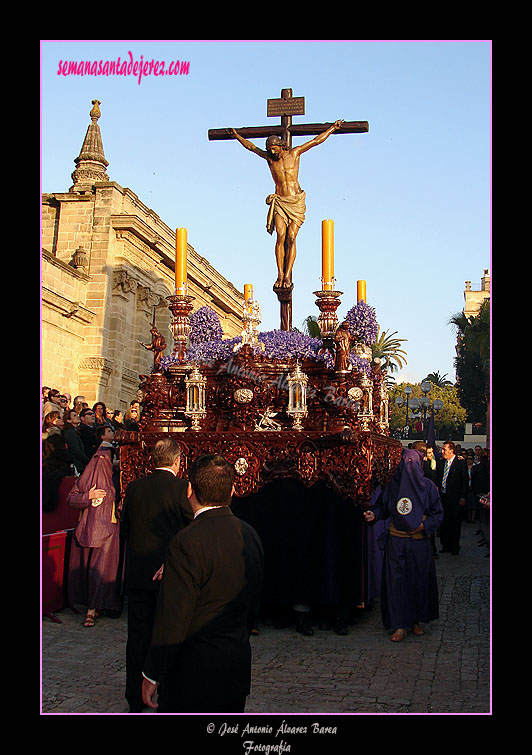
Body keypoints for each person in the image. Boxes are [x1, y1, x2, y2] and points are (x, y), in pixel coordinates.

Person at [141, 454, 264, 713]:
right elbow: (253, 603)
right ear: (233, 489)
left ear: (190, 490)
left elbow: (173, 617)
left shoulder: (187, 541)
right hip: (234, 666)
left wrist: (153, 672)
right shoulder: (250, 535)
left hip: (193, 674)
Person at [120, 438, 193, 713]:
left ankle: (134, 696)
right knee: (169, 634)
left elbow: (125, 527)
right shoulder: (182, 488)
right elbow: (190, 529)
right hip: (169, 575)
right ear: (177, 461)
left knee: (138, 636)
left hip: (139, 573)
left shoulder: (134, 487)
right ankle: (166, 690)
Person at [230, 120, 344, 289]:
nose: (271, 152)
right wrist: (237, 136)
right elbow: (251, 147)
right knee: (280, 236)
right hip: (280, 201)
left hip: (295, 201)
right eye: (269, 150)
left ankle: (288, 274)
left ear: (280, 146)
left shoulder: (294, 154)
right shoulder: (269, 159)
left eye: (274, 149)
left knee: (291, 237)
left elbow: (315, 141)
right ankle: (280, 274)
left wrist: (332, 129)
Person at [363, 445, 443, 642]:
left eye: (412, 463)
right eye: (405, 463)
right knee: (396, 582)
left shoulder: (428, 487)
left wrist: (424, 525)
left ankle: (416, 620)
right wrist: (374, 514)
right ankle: (399, 624)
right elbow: (382, 506)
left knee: (418, 581)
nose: (408, 467)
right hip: (397, 541)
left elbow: (438, 514)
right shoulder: (393, 487)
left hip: (418, 543)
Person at [67, 424, 122, 627]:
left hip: (110, 523)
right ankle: (92, 607)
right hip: (96, 523)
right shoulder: (97, 462)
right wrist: (88, 497)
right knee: (96, 568)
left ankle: (99, 605)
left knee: (104, 568)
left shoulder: (114, 469)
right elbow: (72, 497)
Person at [437, 441, 468, 555]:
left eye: (444, 449)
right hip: (443, 496)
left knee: (454, 522)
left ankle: (455, 546)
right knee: (444, 522)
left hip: (455, 497)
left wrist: (463, 497)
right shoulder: (441, 463)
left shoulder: (460, 463)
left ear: (451, 450)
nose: (442, 452)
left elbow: (464, 482)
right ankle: (446, 545)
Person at [62, 408, 90, 475]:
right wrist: (88, 461)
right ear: (68, 420)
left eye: (77, 415)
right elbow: (76, 450)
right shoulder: (70, 432)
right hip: (77, 466)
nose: (77, 417)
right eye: (74, 416)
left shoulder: (74, 431)